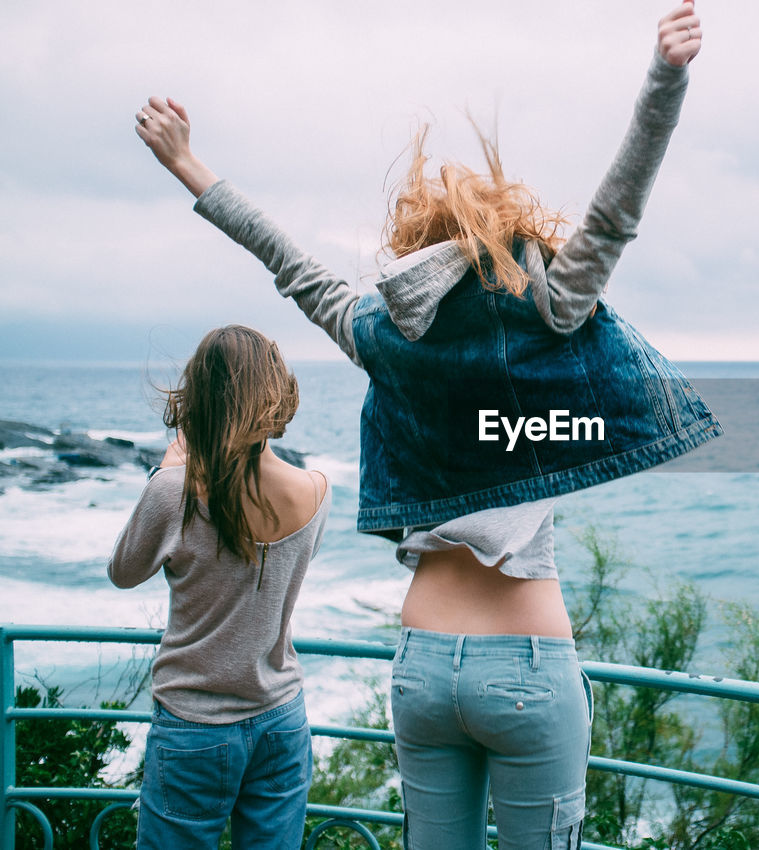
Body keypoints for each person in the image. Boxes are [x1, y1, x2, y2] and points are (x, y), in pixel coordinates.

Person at [134, 4, 714, 848]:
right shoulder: (551, 311)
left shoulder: (382, 333)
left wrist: (190, 165)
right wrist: (667, 75)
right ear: (508, 233)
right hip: (526, 663)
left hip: (423, 662)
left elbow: (286, 262)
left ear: (415, 244)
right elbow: (617, 211)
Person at [109, 325, 330, 850]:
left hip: (194, 723)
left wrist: (163, 473)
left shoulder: (174, 491)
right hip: (281, 717)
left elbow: (123, 570)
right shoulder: (317, 492)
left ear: (200, 398)